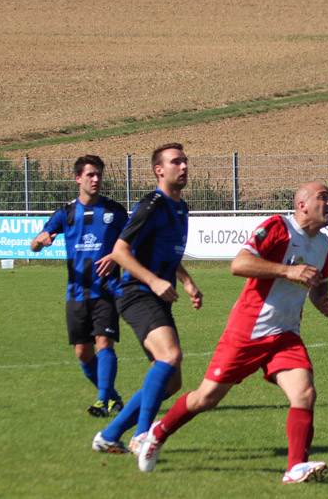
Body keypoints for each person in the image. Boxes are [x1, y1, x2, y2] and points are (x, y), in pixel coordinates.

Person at [135, 182, 328, 484]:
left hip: (285, 334)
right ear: (302, 205)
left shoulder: (324, 246)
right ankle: (158, 433)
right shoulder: (278, 227)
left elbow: (319, 285)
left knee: (305, 393)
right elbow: (239, 264)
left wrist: (321, 301)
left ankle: (295, 467)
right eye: (324, 197)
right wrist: (287, 270)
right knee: (206, 398)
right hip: (248, 330)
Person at [91, 144, 203, 455]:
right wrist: (153, 280)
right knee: (170, 356)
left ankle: (109, 435)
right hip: (136, 293)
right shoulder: (152, 204)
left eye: (185, 161)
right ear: (159, 170)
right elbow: (119, 251)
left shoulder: (180, 207)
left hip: (157, 297)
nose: (183, 166)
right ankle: (142, 435)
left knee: (171, 382)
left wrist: (187, 281)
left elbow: (166, 253)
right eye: (176, 161)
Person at [31, 155, 129, 417]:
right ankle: (114, 398)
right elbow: (34, 245)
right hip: (76, 292)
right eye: (90, 175)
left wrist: (115, 256)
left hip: (107, 289)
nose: (96, 179)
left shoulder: (115, 212)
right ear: (78, 178)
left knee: (104, 342)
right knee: (82, 352)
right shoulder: (66, 213)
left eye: (99, 174)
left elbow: (132, 243)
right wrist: (40, 240)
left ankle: (102, 401)